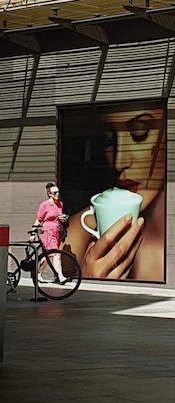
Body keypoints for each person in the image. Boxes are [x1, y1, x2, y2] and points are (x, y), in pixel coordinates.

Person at [64, 105, 166, 282]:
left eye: (139, 133)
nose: (119, 162)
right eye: (108, 139)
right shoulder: (78, 234)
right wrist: (89, 285)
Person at [32, 183, 69, 283]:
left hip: (57, 231)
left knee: (49, 255)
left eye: (58, 192)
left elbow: (59, 216)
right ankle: (60, 276)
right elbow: (39, 219)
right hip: (48, 231)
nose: (57, 194)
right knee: (56, 254)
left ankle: (39, 273)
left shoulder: (60, 204)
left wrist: (63, 219)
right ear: (50, 194)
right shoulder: (45, 205)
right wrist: (33, 233)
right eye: (55, 192)